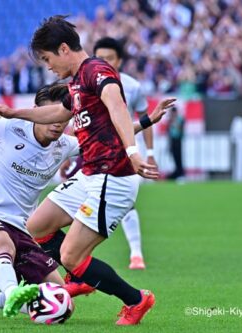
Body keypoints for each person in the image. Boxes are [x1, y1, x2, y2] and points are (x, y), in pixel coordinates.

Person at [0, 82, 168, 319]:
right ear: (37, 112)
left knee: (62, 303)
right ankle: (12, 290)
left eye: (63, 118)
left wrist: (147, 120)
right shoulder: (7, 128)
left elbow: (108, 136)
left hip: (25, 230)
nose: (58, 124)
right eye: (52, 116)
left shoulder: (65, 144)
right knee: (3, 247)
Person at [0, 15, 175, 325]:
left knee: (71, 255)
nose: (48, 67)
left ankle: (136, 300)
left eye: (48, 59)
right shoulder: (76, 81)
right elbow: (60, 111)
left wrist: (133, 152)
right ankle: (83, 272)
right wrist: (13, 111)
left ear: (63, 49)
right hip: (90, 175)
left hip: (112, 178)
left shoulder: (96, 71)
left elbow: (116, 106)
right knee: (34, 227)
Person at [93, 37, 153, 270]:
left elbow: (146, 119)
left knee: (127, 202)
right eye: (100, 58)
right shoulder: (88, 82)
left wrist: (151, 153)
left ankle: (136, 253)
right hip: (93, 152)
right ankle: (76, 258)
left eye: (109, 58)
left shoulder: (132, 86)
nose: (104, 62)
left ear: (119, 60)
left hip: (123, 151)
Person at [166, 106, 185, 180]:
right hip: (172, 140)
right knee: (174, 157)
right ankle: (177, 172)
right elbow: (169, 132)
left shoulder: (180, 119)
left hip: (178, 140)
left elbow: (179, 129)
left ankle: (180, 173)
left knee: (178, 157)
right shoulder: (170, 120)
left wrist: (173, 121)